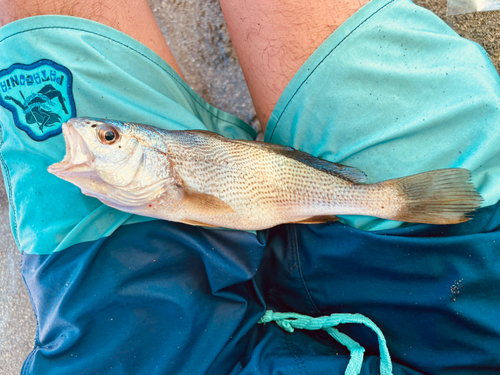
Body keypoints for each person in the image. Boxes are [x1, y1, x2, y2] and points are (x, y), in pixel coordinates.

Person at [1, 0, 499, 373]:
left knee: (48, 34)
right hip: (471, 321)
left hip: (154, 350)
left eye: (108, 136)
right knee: (449, 134)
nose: (97, 137)